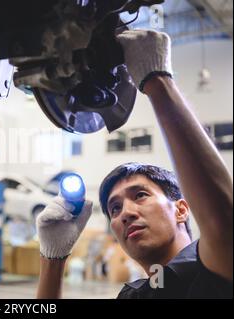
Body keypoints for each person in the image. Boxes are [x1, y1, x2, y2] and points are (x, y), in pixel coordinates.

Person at [36, 30, 233, 299]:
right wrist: (53, 259)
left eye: (140, 195)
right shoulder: (136, 295)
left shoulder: (214, 269)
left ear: (181, 210)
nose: (125, 213)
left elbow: (224, 224)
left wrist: (158, 80)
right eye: (114, 209)